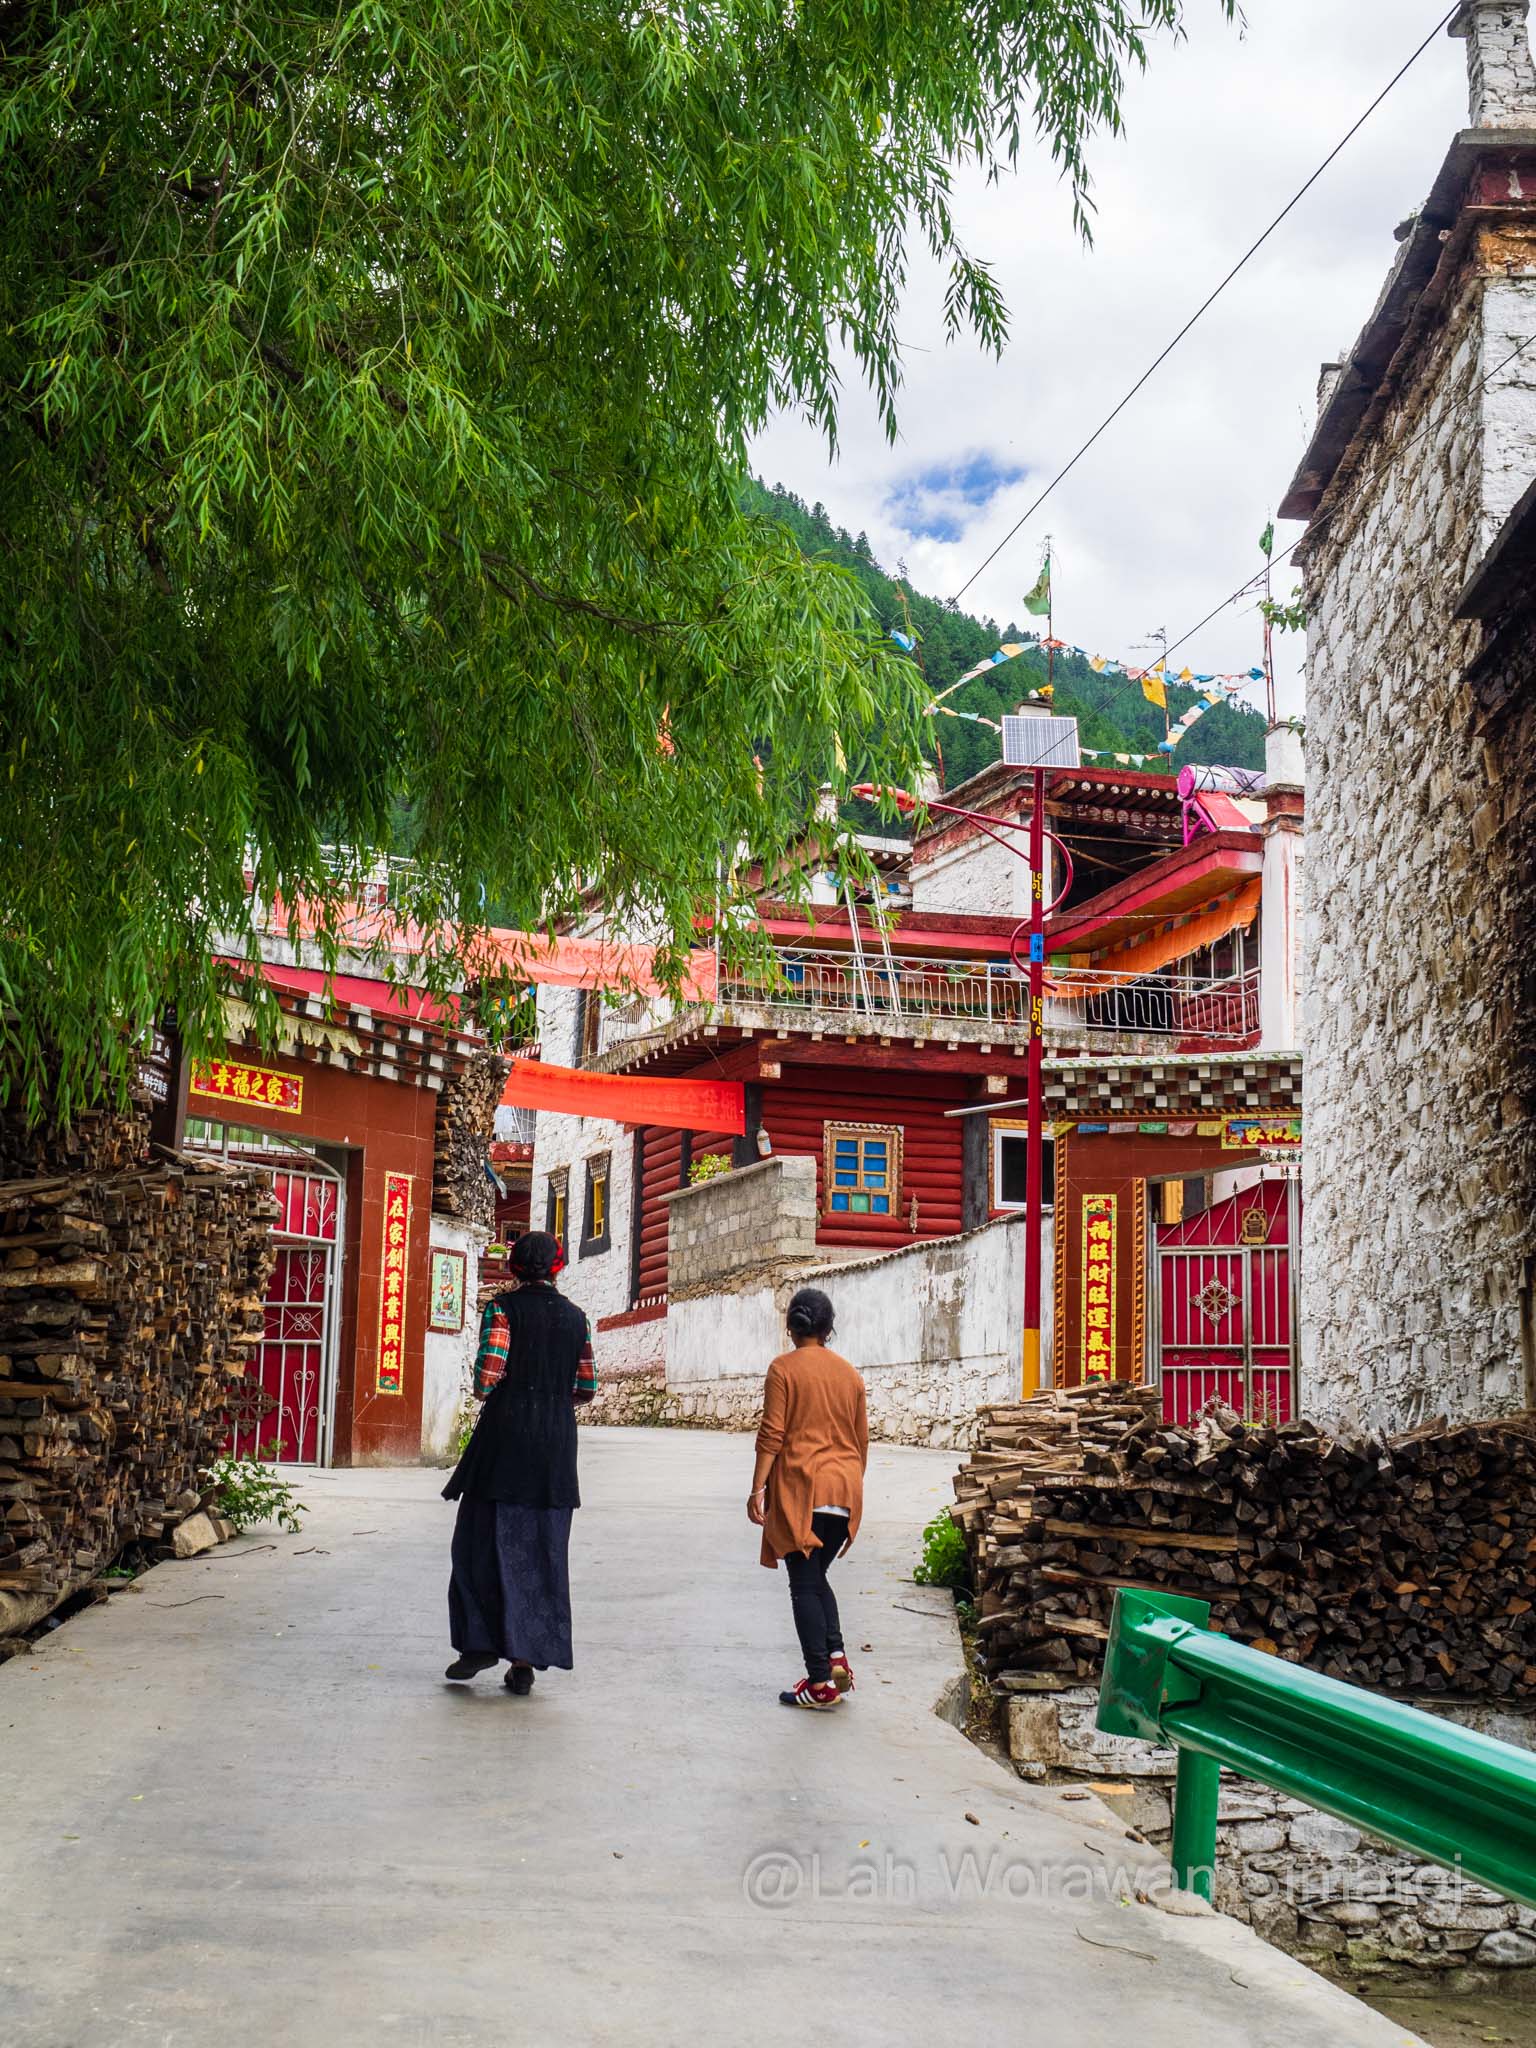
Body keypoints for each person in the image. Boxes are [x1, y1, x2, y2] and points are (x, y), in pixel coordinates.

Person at [441, 1230, 596, 1692]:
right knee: (542, 1552)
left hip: (503, 1444)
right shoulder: (577, 1318)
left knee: (479, 1545)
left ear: (514, 1268)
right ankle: (525, 1660)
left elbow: (486, 1380)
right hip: (555, 1450)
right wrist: (552, 1399)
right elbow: (586, 1387)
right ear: (557, 1268)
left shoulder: (503, 1310)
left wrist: (511, 1388)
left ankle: (479, 1645)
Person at [748, 1286, 868, 1711]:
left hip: (803, 1490)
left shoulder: (783, 1369)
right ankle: (836, 1658)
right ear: (828, 1328)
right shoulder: (850, 1375)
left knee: (803, 1584)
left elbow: (772, 1434)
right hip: (844, 1491)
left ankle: (819, 1682)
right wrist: (850, 1484)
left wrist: (757, 1488)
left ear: (791, 1327)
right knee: (816, 1577)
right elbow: (861, 1440)